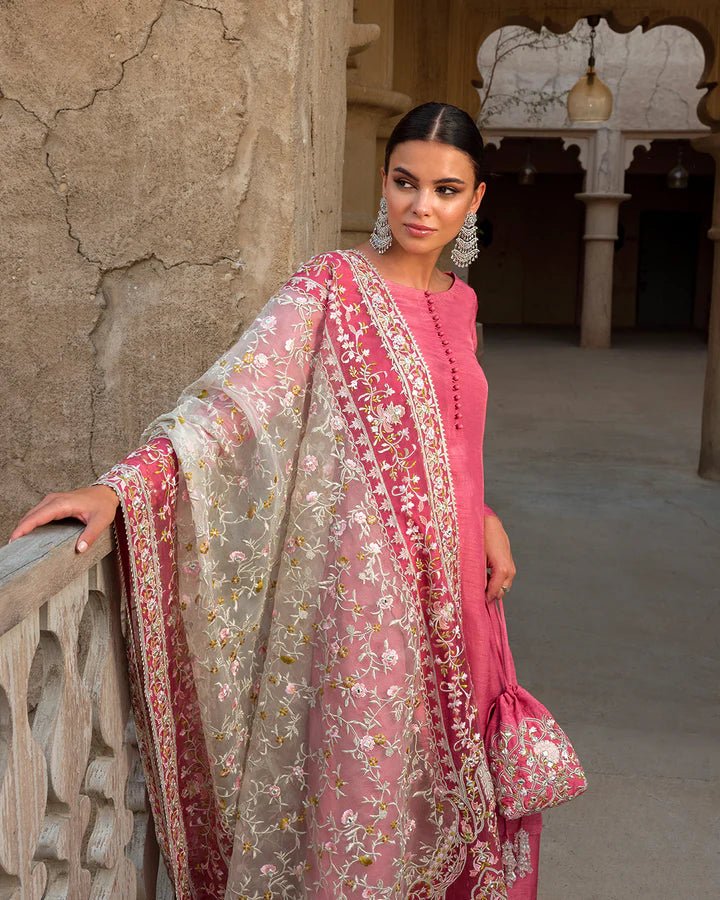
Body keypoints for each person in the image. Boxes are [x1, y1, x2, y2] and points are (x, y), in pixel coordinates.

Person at [9, 102, 542, 898]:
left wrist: (487, 516)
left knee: (450, 798)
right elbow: (234, 405)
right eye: (404, 182)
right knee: (364, 800)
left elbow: (446, 441)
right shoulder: (332, 286)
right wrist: (119, 488)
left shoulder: (460, 304)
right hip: (367, 601)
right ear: (383, 183)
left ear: (476, 202)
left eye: (445, 189)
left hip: (462, 592)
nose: (420, 206)